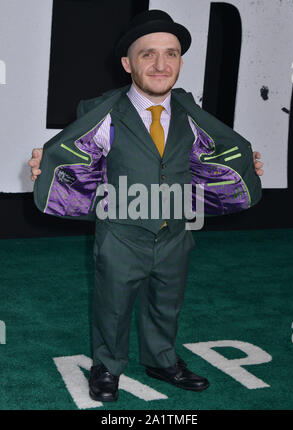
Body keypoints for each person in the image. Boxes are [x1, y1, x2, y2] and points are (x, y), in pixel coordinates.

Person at [28, 10, 264, 403]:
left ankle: (162, 360)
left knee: (166, 303)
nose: (160, 64)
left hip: (175, 232)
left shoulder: (191, 113)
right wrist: (47, 164)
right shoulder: (102, 112)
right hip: (121, 233)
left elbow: (211, 155)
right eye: (148, 54)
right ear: (127, 63)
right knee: (113, 306)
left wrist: (243, 166)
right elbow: (75, 156)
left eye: (170, 54)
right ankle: (107, 366)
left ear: (180, 62)